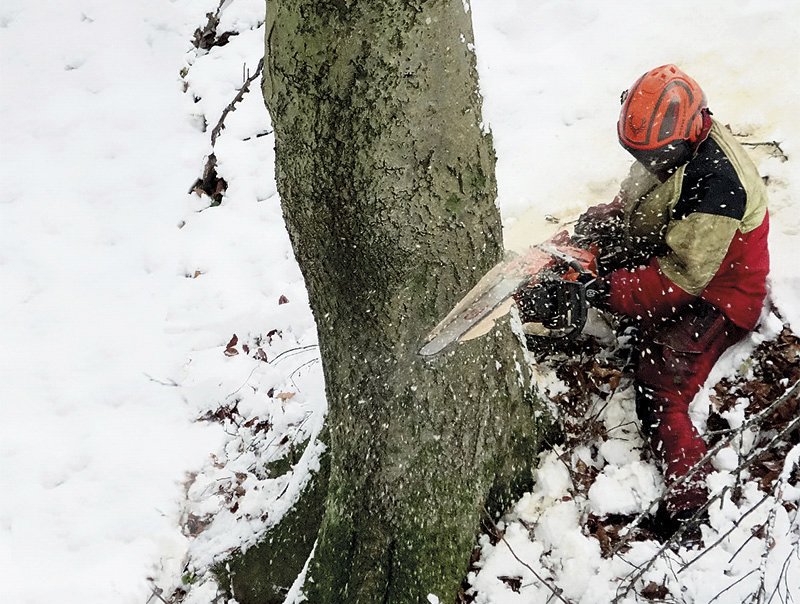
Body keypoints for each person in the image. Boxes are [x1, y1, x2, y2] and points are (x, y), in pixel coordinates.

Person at [573, 64, 770, 528]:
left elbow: (679, 280)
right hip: (688, 259)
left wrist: (606, 291)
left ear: (682, 137)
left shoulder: (717, 184)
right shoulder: (674, 151)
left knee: (660, 387)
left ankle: (690, 499)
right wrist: (608, 223)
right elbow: (646, 194)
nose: (647, 163)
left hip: (722, 296)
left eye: (654, 155)